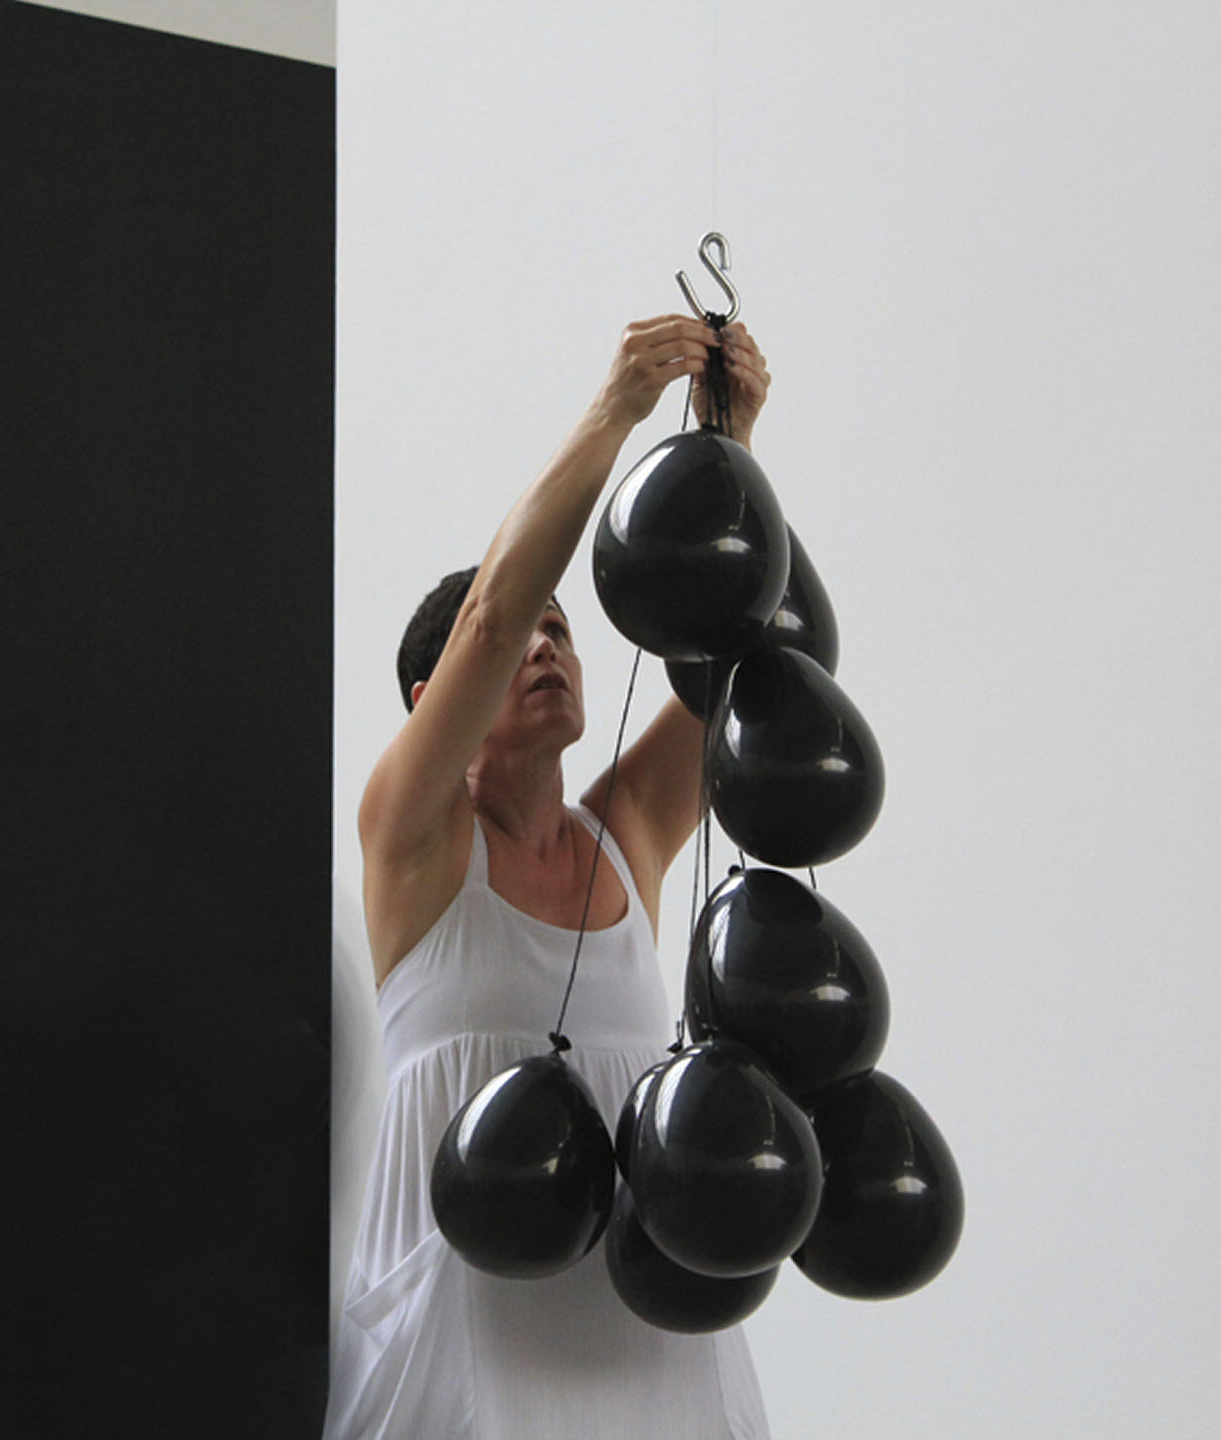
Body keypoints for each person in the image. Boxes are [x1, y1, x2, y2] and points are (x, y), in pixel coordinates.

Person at [325, 315, 775, 1440]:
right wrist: (618, 410)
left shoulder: (629, 831)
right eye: (531, 632)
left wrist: (727, 447)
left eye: (565, 633)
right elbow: (490, 619)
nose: (547, 647)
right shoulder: (413, 841)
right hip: (461, 1353)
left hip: (651, 1359)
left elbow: (733, 656)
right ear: (435, 707)